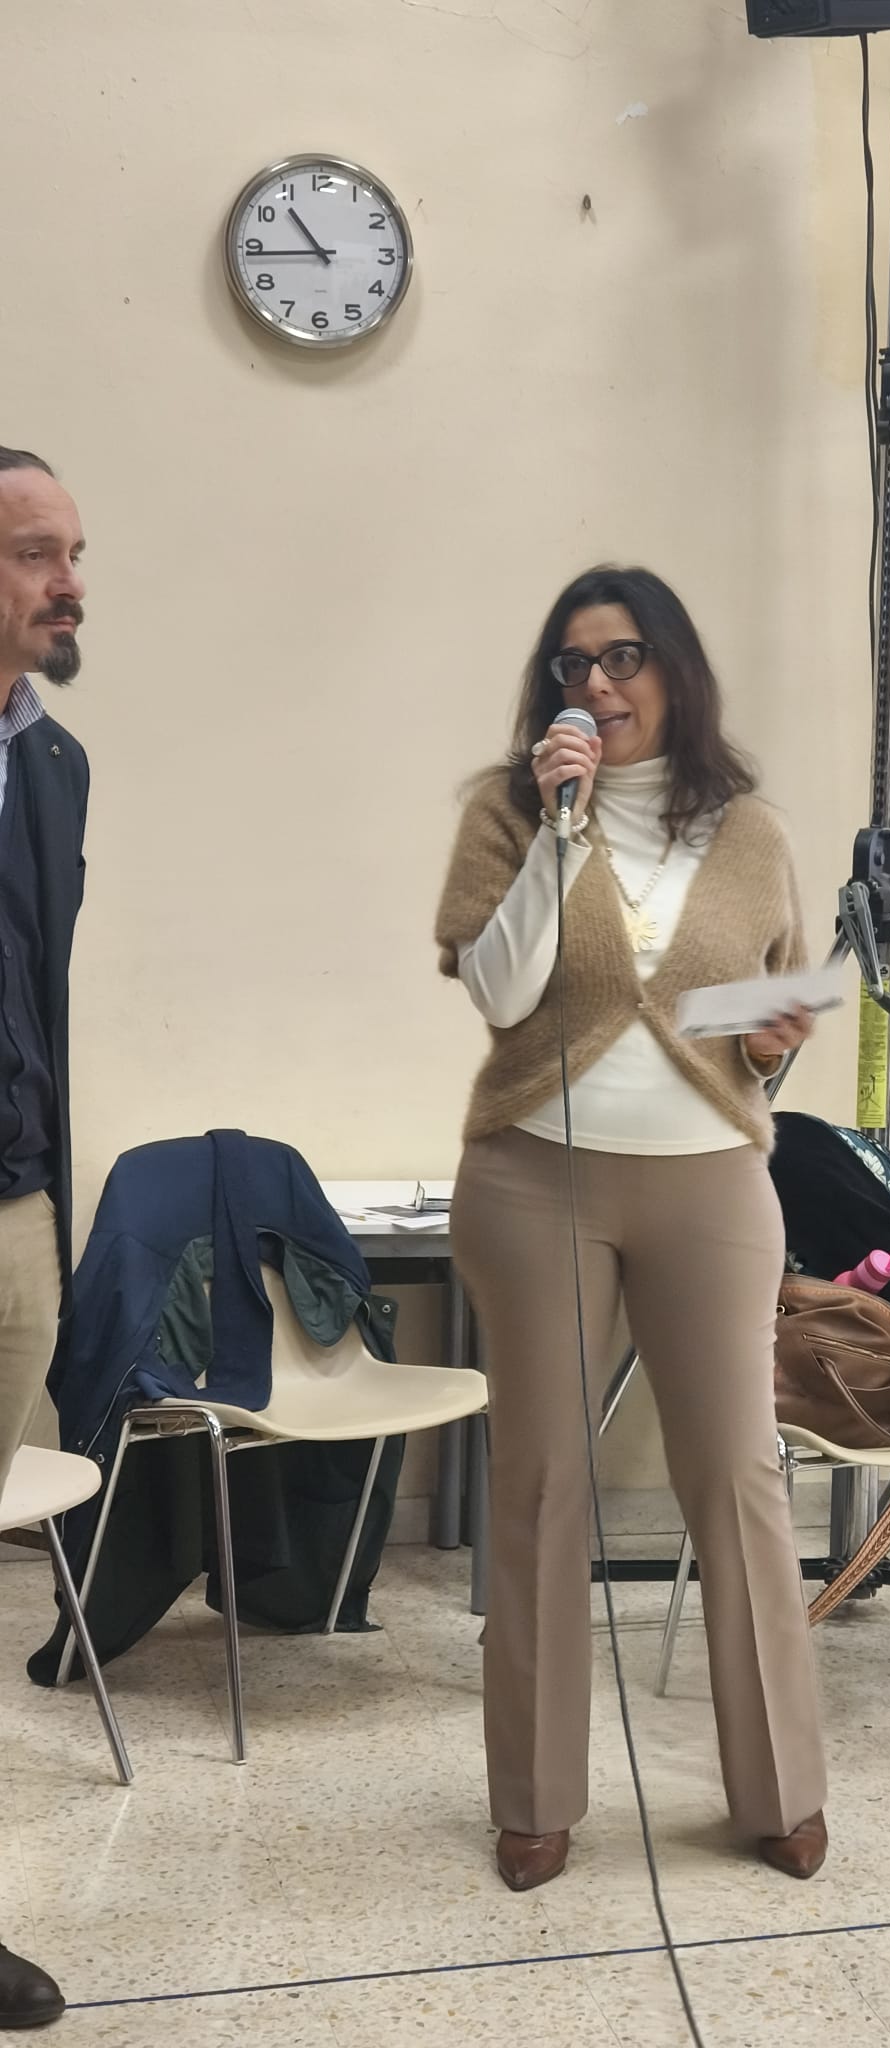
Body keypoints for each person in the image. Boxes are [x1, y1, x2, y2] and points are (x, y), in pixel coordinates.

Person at [436, 565, 828, 1893]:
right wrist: (562, 830)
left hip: (710, 1181)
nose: (598, 686)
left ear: (673, 671)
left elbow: (766, 1014)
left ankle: (779, 1788)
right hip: (534, 1180)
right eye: (574, 665)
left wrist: (774, 1044)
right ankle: (536, 1798)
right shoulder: (510, 810)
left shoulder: (754, 832)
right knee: (544, 1481)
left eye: (624, 658)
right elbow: (503, 995)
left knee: (740, 1478)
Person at [0, 446, 90, 2034]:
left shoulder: (54, 763)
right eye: (33, 555)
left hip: (16, 1217)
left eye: (73, 554)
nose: (70, 583)